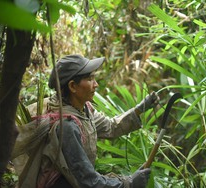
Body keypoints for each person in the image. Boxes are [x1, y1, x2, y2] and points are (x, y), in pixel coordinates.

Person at [17, 54, 159, 188]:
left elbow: (110, 127)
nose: (96, 84)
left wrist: (140, 108)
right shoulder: (66, 126)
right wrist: (129, 183)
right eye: (90, 79)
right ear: (72, 86)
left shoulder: (83, 109)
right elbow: (88, 181)